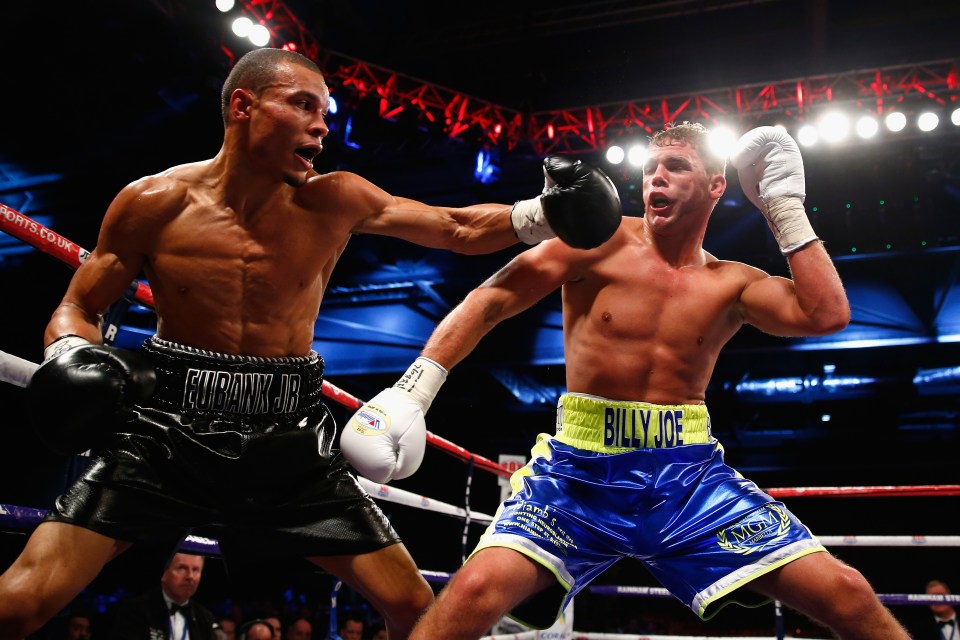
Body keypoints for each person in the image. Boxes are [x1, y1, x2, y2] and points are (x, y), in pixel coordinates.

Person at [0, 47, 620, 640]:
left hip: (288, 435)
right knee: (21, 602)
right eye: (303, 106)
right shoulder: (154, 202)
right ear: (244, 106)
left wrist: (541, 214)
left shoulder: (334, 198)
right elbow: (78, 306)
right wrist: (71, 355)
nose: (322, 127)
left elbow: (454, 227)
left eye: (325, 113)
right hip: (166, 430)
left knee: (413, 606)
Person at [358, 122, 912, 640]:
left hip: (687, 476)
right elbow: (490, 300)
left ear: (717, 186)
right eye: (651, 169)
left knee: (848, 592)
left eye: (675, 167)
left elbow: (826, 314)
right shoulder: (595, 240)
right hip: (577, 472)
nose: (656, 179)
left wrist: (782, 205)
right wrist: (415, 390)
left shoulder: (730, 283)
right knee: (473, 592)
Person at [107, 551, 218, 639]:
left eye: (195, 570)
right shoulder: (136, 611)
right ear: (164, 573)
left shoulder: (205, 618)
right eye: (182, 568)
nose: (190, 576)